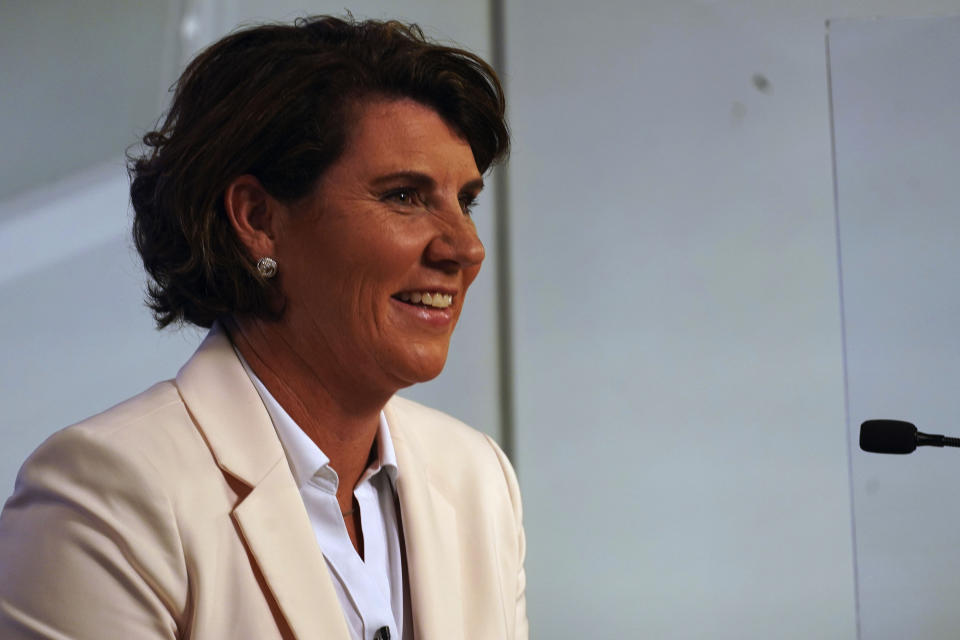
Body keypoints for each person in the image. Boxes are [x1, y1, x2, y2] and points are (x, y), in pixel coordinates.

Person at [0, 16, 526, 640]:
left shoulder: (477, 477)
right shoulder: (107, 498)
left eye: (463, 201)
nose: (466, 249)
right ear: (258, 219)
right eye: (405, 197)